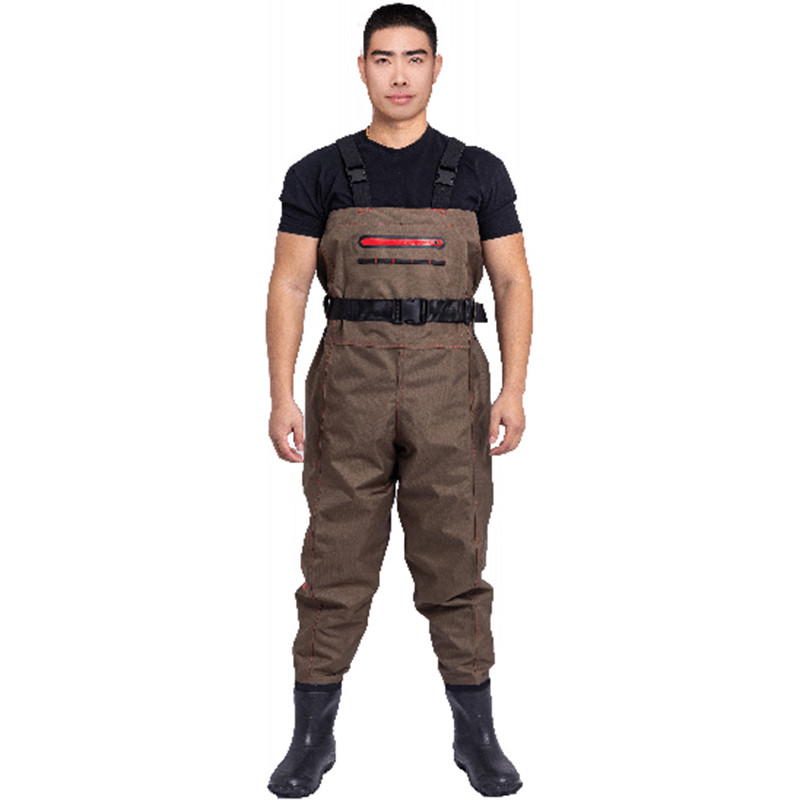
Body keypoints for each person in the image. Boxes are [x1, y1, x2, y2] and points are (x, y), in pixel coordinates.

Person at [265, 4, 532, 797]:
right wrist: (280, 394)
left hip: (451, 383)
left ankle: (476, 737)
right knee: (335, 562)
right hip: (347, 379)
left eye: (415, 58)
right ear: (362, 69)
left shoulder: (479, 171)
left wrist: (514, 388)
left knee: (455, 559)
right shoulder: (318, 172)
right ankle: (311, 739)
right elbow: (288, 284)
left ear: (437, 68)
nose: (400, 75)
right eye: (383, 58)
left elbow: (513, 281)